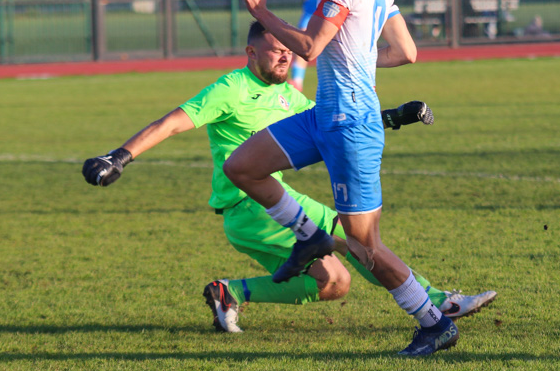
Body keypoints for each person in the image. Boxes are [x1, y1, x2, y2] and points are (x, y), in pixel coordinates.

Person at [82, 21, 496, 334]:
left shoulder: (286, 96)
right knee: (352, 247)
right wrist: (119, 157)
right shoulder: (231, 88)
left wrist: (394, 117)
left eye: (288, 51)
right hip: (248, 208)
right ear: (250, 51)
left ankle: (230, 293)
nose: (285, 57)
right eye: (275, 50)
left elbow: (329, 123)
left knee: (337, 281)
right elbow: (171, 123)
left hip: (280, 199)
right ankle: (438, 303)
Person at [229, 0, 465, 356]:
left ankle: (433, 321)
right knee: (242, 166)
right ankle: (310, 235)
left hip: (350, 125)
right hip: (324, 117)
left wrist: (261, 14)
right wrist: (357, 55)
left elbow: (311, 47)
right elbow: (406, 52)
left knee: (364, 247)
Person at [290, 0, 334, 91]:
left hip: (329, 11)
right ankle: (297, 82)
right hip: (310, 10)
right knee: (302, 43)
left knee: (333, 47)